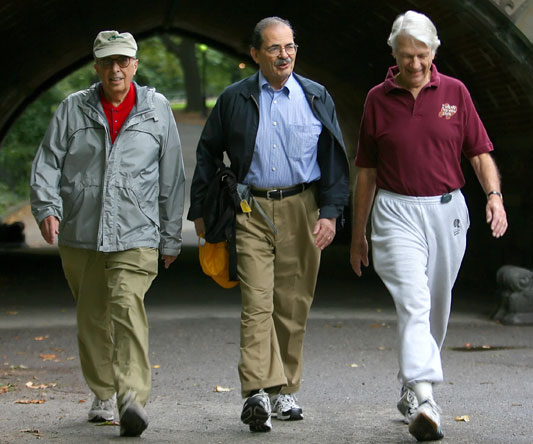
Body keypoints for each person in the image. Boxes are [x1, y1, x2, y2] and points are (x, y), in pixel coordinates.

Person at [350, 10, 508, 442]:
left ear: (434, 52)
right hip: (396, 211)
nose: (414, 65)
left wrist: (494, 197)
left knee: (437, 307)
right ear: (394, 56)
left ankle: (410, 384)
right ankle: (426, 399)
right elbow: (365, 171)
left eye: (421, 55)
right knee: (415, 302)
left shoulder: (455, 92)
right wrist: (358, 234)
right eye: (406, 57)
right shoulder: (376, 100)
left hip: (447, 209)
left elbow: (479, 154)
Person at [188, 16, 349, 432]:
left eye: (290, 47)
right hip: (250, 209)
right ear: (255, 53)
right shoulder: (234, 99)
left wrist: (331, 212)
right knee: (256, 303)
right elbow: (208, 153)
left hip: (304, 206)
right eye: (275, 48)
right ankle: (257, 391)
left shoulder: (315, 96)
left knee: (293, 304)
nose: (284, 55)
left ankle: (285, 392)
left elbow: (334, 158)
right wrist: (202, 211)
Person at [30, 30, 185, 437]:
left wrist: (170, 236)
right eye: (107, 62)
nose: (116, 69)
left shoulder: (156, 110)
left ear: (135, 64)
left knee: (127, 308)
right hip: (82, 232)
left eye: (123, 61)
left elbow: (172, 177)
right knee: (92, 316)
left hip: (137, 233)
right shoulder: (72, 109)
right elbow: (47, 162)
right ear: (96, 67)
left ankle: (131, 397)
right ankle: (102, 390)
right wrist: (47, 207)